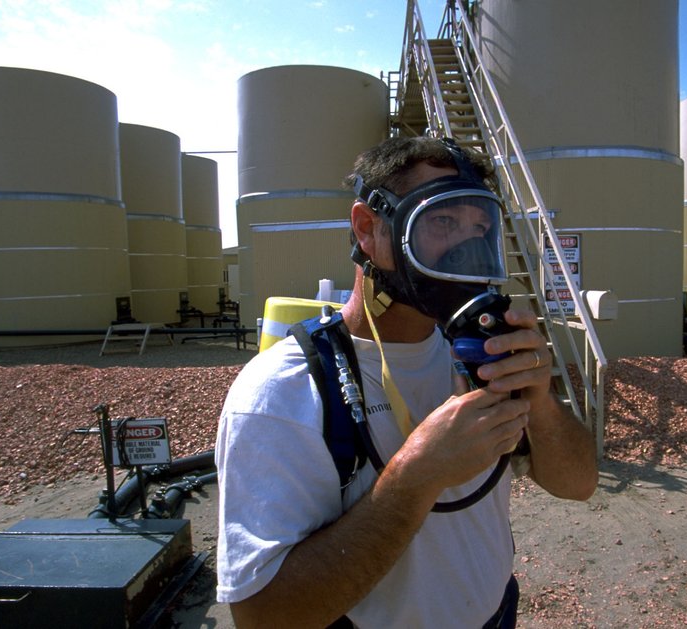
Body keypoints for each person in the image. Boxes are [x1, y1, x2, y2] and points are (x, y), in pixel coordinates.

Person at [215, 136, 598, 628]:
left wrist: (540, 400)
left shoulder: (480, 356)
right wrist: (419, 474)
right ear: (368, 228)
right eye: (443, 222)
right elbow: (262, 617)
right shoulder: (283, 391)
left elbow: (578, 484)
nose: (468, 249)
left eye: (480, 228)